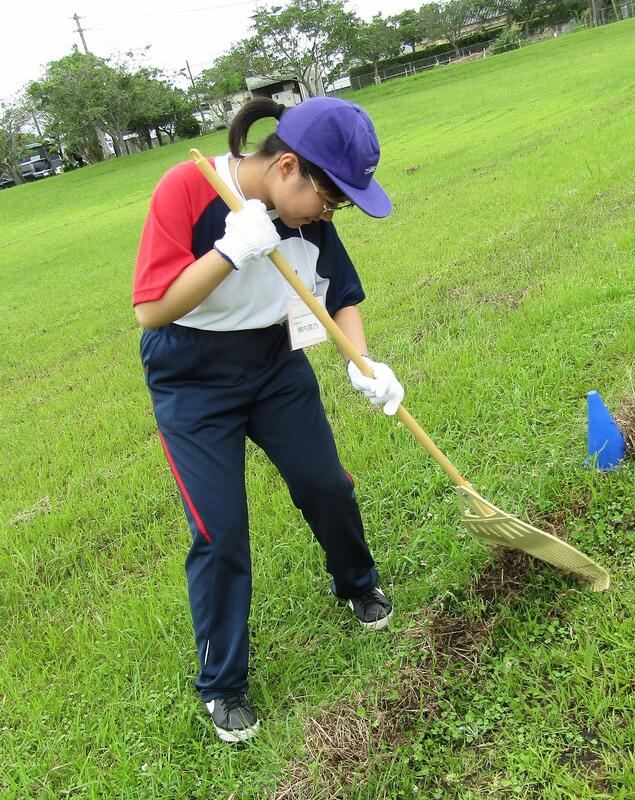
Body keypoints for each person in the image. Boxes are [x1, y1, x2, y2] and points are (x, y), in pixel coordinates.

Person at [132, 96, 404, 743]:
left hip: (274, 365)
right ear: (287, 168)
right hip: (192, 380)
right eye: (329, 201)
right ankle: (222, 686)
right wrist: (231, 250)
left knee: (325, 484)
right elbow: (151, 309)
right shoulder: (188, 188)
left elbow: (340, 295)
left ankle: (357, 584)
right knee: (220, 530)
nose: (328, 215)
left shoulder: (306, 215)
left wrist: (363, 362)